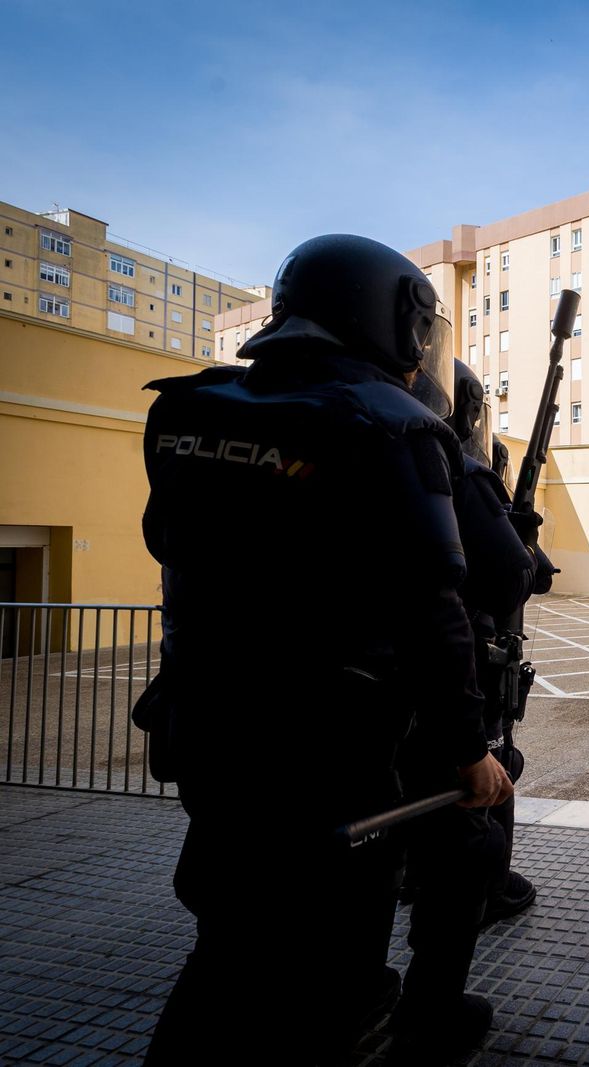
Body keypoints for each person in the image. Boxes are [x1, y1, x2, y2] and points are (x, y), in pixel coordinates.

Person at [139, 234, 515, 1065]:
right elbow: (435, 609)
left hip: (204, 730)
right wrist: (466, 750)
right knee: (322, 975)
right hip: (328, 756)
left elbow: (172, 547)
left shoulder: (188, 411)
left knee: (229, 942)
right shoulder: (389, 427)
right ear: (390, 319)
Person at [407, 361, 555, 933]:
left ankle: (413, 874)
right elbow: (517, 576)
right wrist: (521, 533)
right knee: (490, 772)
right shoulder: (455, 468)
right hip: (460, 658)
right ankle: (487, 889)